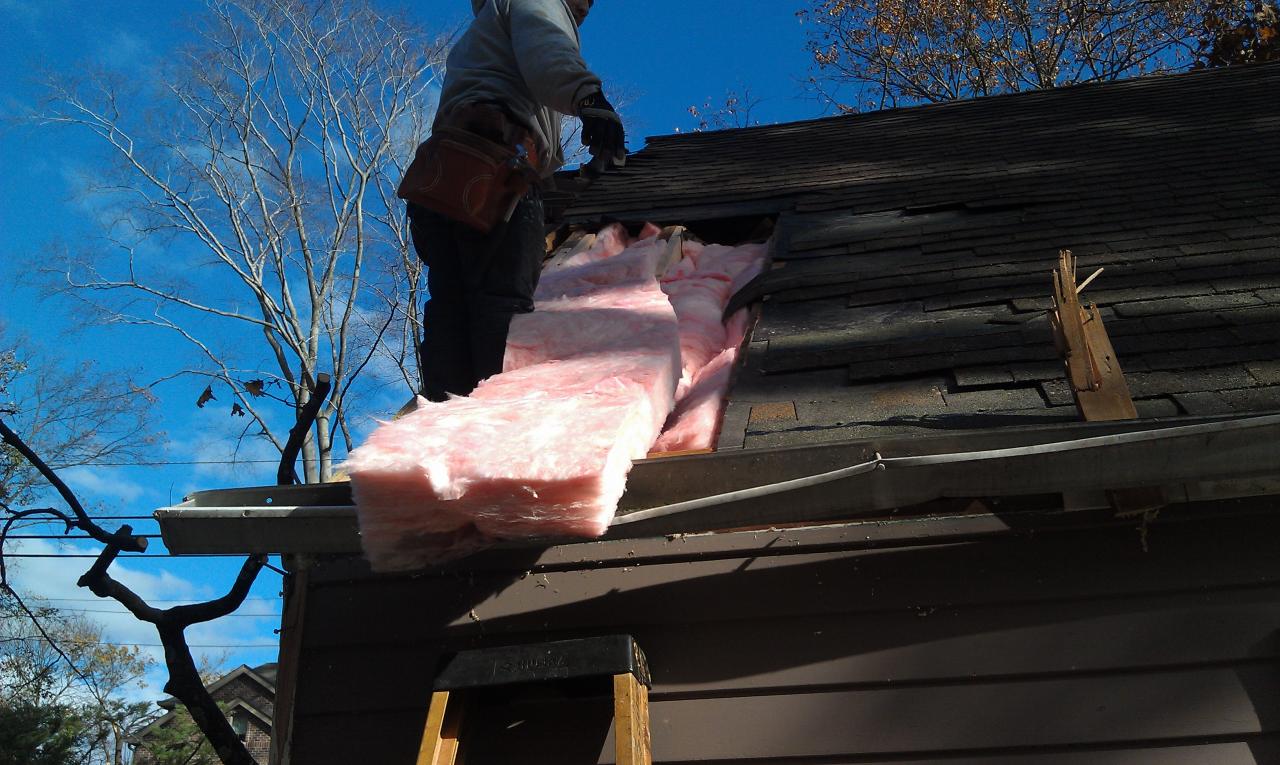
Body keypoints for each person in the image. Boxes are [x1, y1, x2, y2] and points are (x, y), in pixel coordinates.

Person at [410, 0, 626, 402]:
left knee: (451, 305)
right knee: (501, 305)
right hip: (497, 168)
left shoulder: (491, 22)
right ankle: (499, 411)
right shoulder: (537, 1)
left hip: (446, 177)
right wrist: (590, 101)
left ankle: (447, 415)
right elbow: (548, 50)